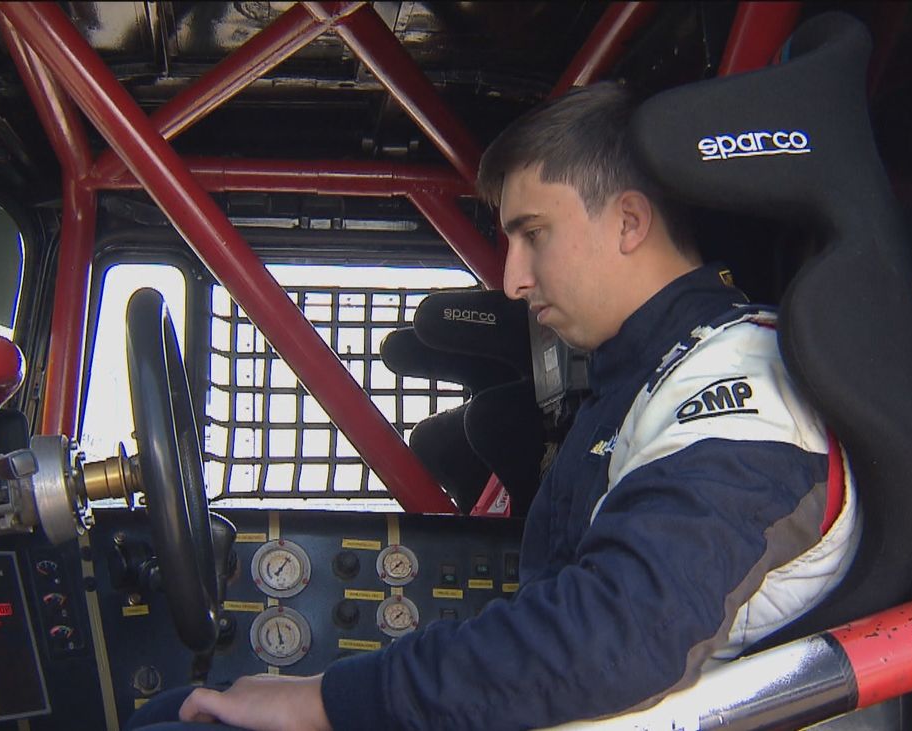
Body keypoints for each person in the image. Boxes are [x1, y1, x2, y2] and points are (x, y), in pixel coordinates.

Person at [128, 81, 859, 731]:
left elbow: (617, 637)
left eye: (532, 235)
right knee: (177, 711)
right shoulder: (636, 378)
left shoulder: (739, 381)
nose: (512, 279)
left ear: (629, 223)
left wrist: (328, 702)